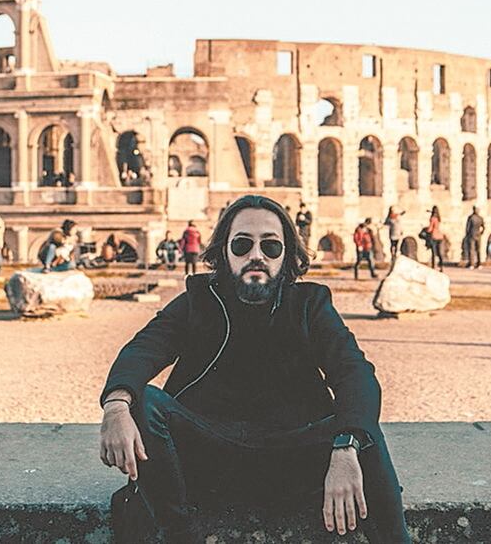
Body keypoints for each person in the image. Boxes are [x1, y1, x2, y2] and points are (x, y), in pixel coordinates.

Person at [98, 195, 410, 543]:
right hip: (210, 459)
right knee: (141, 401)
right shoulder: (200, 300)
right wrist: (115, 404)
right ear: (224, 252)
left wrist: (346, 445)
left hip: (293, 457)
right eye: (242, 244)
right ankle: (178, 534)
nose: (256, 256)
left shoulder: (309, 304)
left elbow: (354, 372)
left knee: (362, 430)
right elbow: (144, 348)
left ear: (287, 256)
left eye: (271, 246)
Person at [423, 206, 445, 272]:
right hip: (440, 236)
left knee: (434, 253)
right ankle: (441, 266)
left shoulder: (432, 218)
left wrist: (425, 229)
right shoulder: (439, 218)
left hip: (434, 236)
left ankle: (433, 266)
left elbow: (430, 229)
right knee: (440, 253)